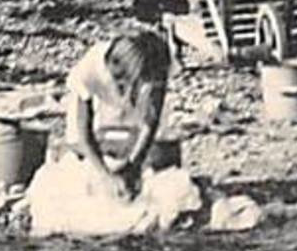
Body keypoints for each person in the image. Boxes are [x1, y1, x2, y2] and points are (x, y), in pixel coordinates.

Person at [26, 28, 200, 235]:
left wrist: (134, 165)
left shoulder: (156, 64)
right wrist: (105, 175)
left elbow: (150, 122)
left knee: (158, 157)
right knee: (78, 159)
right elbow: (84, 132)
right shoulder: (89, 70)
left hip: (134, 97)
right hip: (99, 107)